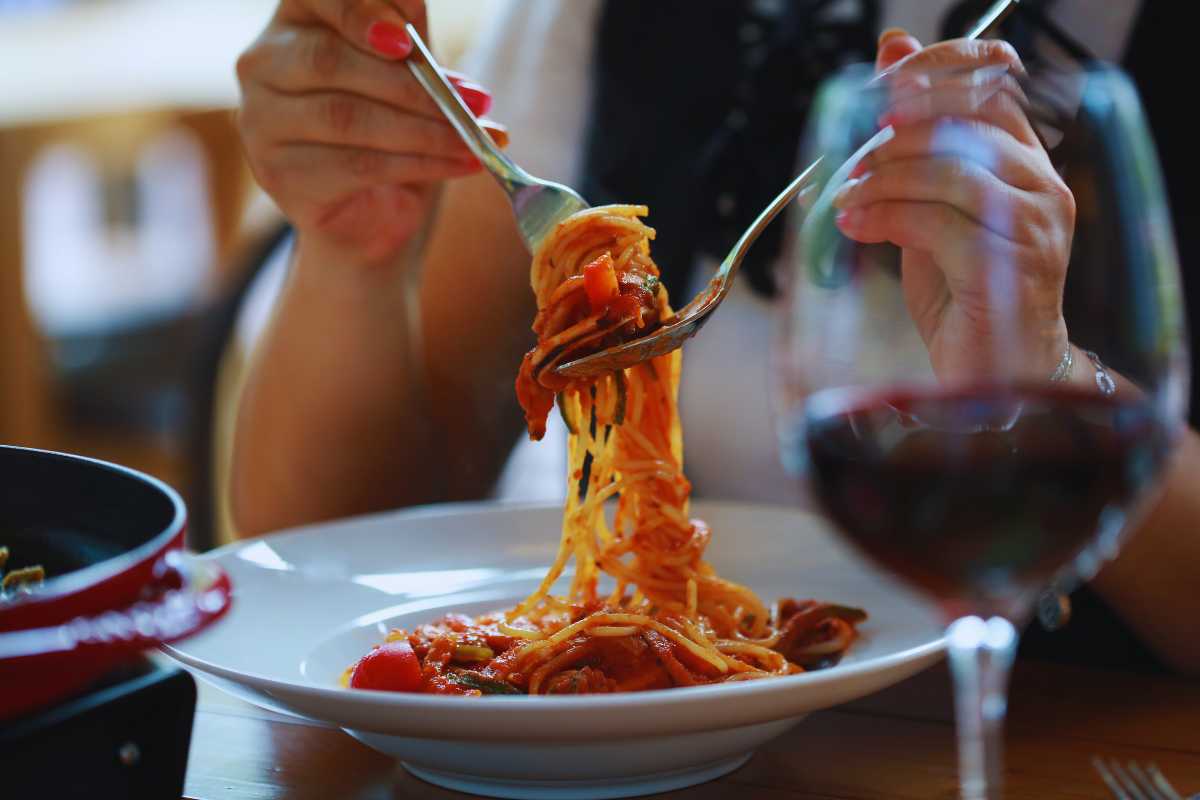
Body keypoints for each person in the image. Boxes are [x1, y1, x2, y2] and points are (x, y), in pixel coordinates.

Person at [230, 0, 1199, 674]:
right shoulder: (594, 14)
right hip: (668, 736)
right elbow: (328, 545)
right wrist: (354, 250)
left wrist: (1048, 375)